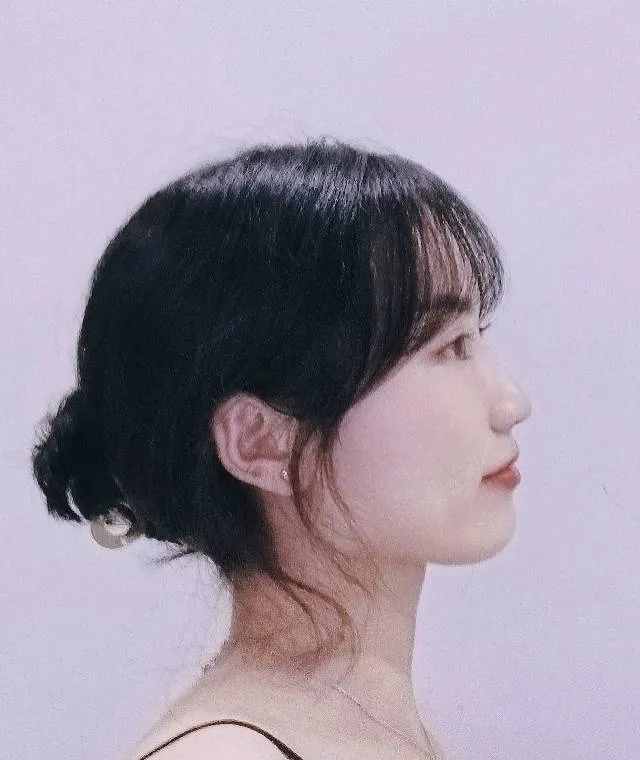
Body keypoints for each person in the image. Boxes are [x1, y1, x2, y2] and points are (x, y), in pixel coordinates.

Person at [31, 138, 533, 759]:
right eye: (448, 347)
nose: (511, 402)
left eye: (477, 336)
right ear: (260, 442)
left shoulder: (378, 732)